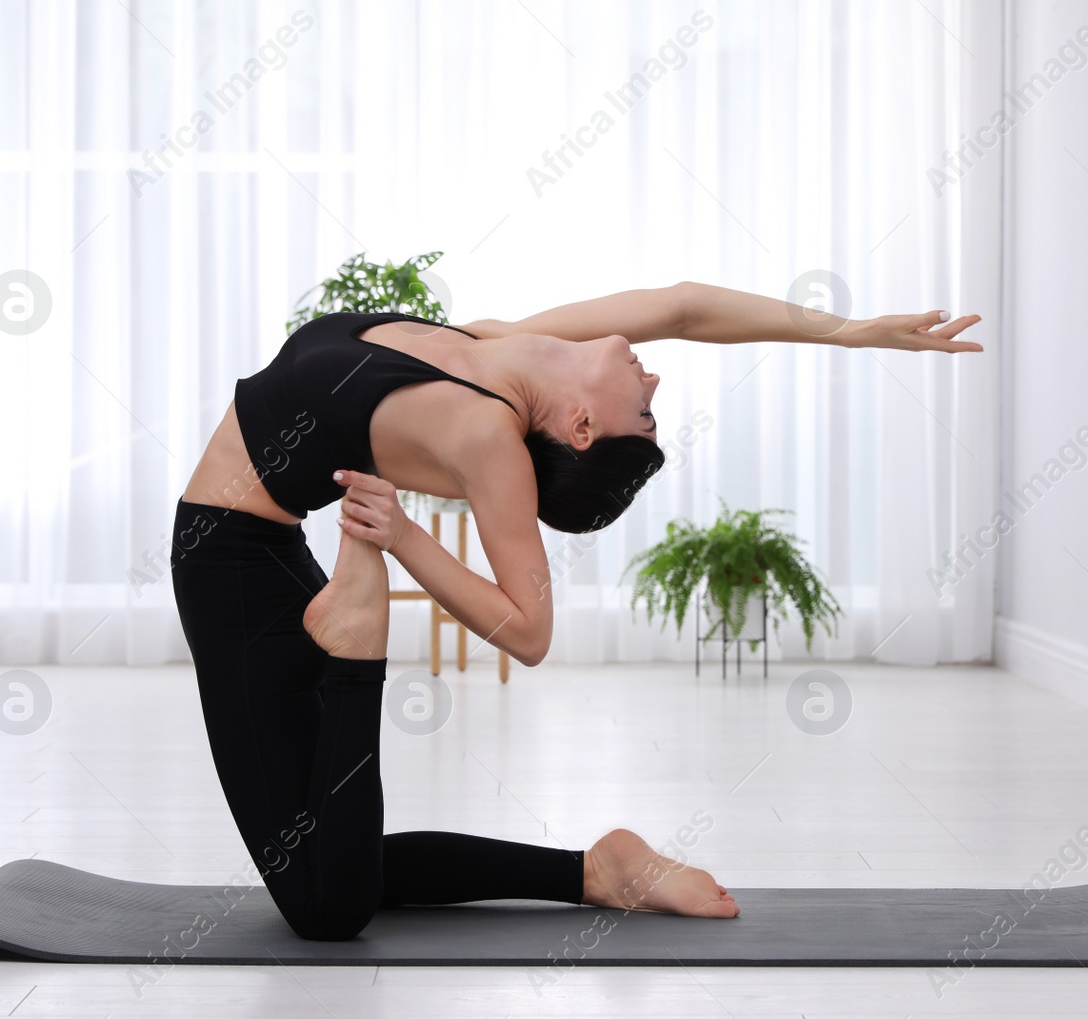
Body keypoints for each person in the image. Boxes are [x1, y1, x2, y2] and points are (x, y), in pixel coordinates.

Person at [171, 280, 982, 940]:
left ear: (583, 426)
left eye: (646, 409)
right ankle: (594, 871)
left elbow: (530, 630)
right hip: (259, 555)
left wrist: (408, 541)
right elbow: (682, 308)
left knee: (325, 908)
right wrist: (850, 332)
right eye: (654, 404)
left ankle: (358, 649)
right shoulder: (489, 345)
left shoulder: (487, 430)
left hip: (228, 564)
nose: (654, 379)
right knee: (330, 860)